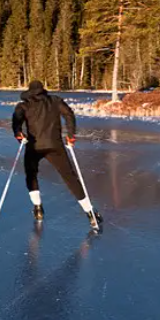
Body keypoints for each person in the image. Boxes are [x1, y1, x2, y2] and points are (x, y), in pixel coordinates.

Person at [11, 80, 102, 230]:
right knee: (70, 178)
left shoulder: (24, 105)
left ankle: (38, 208)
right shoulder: (54, 101)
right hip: (55, 146)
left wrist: (19, 134)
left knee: (31, 175)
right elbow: (69, 114)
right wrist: (71, 135)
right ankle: (90, 213)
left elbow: (16, 119)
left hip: (34, 147)